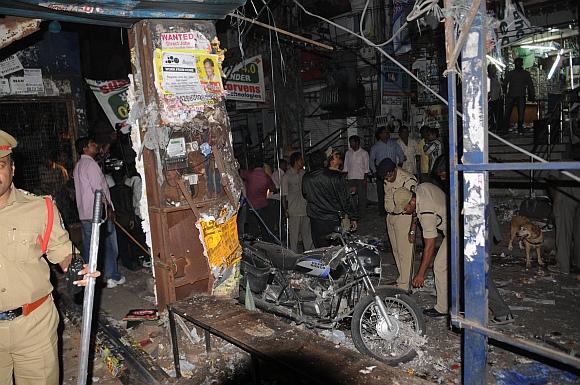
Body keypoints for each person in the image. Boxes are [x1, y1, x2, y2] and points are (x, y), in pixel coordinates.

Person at [0, 130, 99, 385]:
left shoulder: (40, 208)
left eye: (0, 165)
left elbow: (64, 252)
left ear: (12, 168)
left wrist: (77, 267)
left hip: (34, 326)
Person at [394, 185, 514, 323]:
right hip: (458, 227)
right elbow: (417, 211)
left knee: (473, 273)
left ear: (412, 201)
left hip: (462, 232)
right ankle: (443, 307)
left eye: (404, 208)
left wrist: (420, 274)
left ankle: (502, 312)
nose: (403, 212)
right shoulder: (420, 189)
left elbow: (430, 246)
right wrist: (413, 228)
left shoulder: (426, 213)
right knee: (444, 267)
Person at [73, 137, 125, 289]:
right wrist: (108, 207)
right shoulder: (90, 164)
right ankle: (112, 276)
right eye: (92, 144)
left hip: (85, 212)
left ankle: (91, 278)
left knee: (91, 246)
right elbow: (98, 190)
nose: (96, 145)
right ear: (85, 148)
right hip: (98, 212)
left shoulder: (78, 165)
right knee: (109, 245)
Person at [302, 150, 358, 248]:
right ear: (324, 162)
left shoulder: (306, 177)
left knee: (320, 247)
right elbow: (346, 198)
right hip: (332, 218)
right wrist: (353, 217)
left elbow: (305, 194)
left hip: (316, 218)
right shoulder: (336, 176)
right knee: (335, 247)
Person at [377, 158, 417, 290]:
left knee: (405, 252)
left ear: (395, 169)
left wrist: (413, 227)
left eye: (389, 176)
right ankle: (403, 279)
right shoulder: (387, 176)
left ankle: (406, 285)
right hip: (391, 216)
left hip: (404, 217)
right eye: (385, 177)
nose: (387, 179)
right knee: (396, 250)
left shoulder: (408, 180)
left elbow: (414, 203)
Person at [547, 174, 580, 275]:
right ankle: (578, 261)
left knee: (564, 225)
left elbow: (552, 178)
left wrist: (555, 204)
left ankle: (563, 265)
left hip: (569, 177)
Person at [369, 127, 406, 215]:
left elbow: (401, 155)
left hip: (393, 171)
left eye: (387, 133)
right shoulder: (375, 146)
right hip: (381, 172)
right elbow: (371, 160)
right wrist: (375, 172)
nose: (387, 134)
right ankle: (382, 211)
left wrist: (399, 167)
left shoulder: (394, 144)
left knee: (394, 190)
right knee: (381, 192)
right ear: (380, 135)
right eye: (385, 133)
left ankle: (394, 209)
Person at [282, 152, 313, 252]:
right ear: (296, 161)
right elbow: (284, 195)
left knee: (307, 234)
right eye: (301, 160)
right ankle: (293, 255)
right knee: (294, 236)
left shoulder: (304, 174)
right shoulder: (287, 176)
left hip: (304, 209)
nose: (302, 162)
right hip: (294, 210)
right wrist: (285, 210)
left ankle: (310, 253)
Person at [244, 156, 276, 239]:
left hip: (250, 205)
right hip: (263, 205)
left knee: (253, 228)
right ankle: (266, 243)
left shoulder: (249, 174)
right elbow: (273, 188)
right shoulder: (266, 177)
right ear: (263, 166)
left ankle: (255, 245)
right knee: (265, 227)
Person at [503, 57, 535, 133]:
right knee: (520, 113)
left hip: (512, 95)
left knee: (508, 112)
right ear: (522, 64)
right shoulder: (525, 74)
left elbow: (504, 84)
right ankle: (519, 128)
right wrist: (532, 95)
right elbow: (530, 86)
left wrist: (505, 93)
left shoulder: (511, 73)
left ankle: (505, 128)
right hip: (520, 95)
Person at [343, 135, 369, 217]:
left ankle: (362, 215)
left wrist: (365, 179)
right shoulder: (348, 153)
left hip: (361, 178)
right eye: (350, 142)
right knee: (351, 198)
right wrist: (344, 178)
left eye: (352, 142)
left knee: (362, 198)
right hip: (351, 178)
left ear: (357, 142)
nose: (351, 144)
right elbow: (345, 167)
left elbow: (366, 168)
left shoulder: (364, 153)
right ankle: (353, 214)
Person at [488, 64, 503, 133]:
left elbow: (498, 87)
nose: (495, 70)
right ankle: (492, 126)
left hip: (497, 98)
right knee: (491, 114)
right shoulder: (488, 78)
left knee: (497, 114)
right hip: (491, 99)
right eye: (493, 69)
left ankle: (497, 127)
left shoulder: (496, 78)